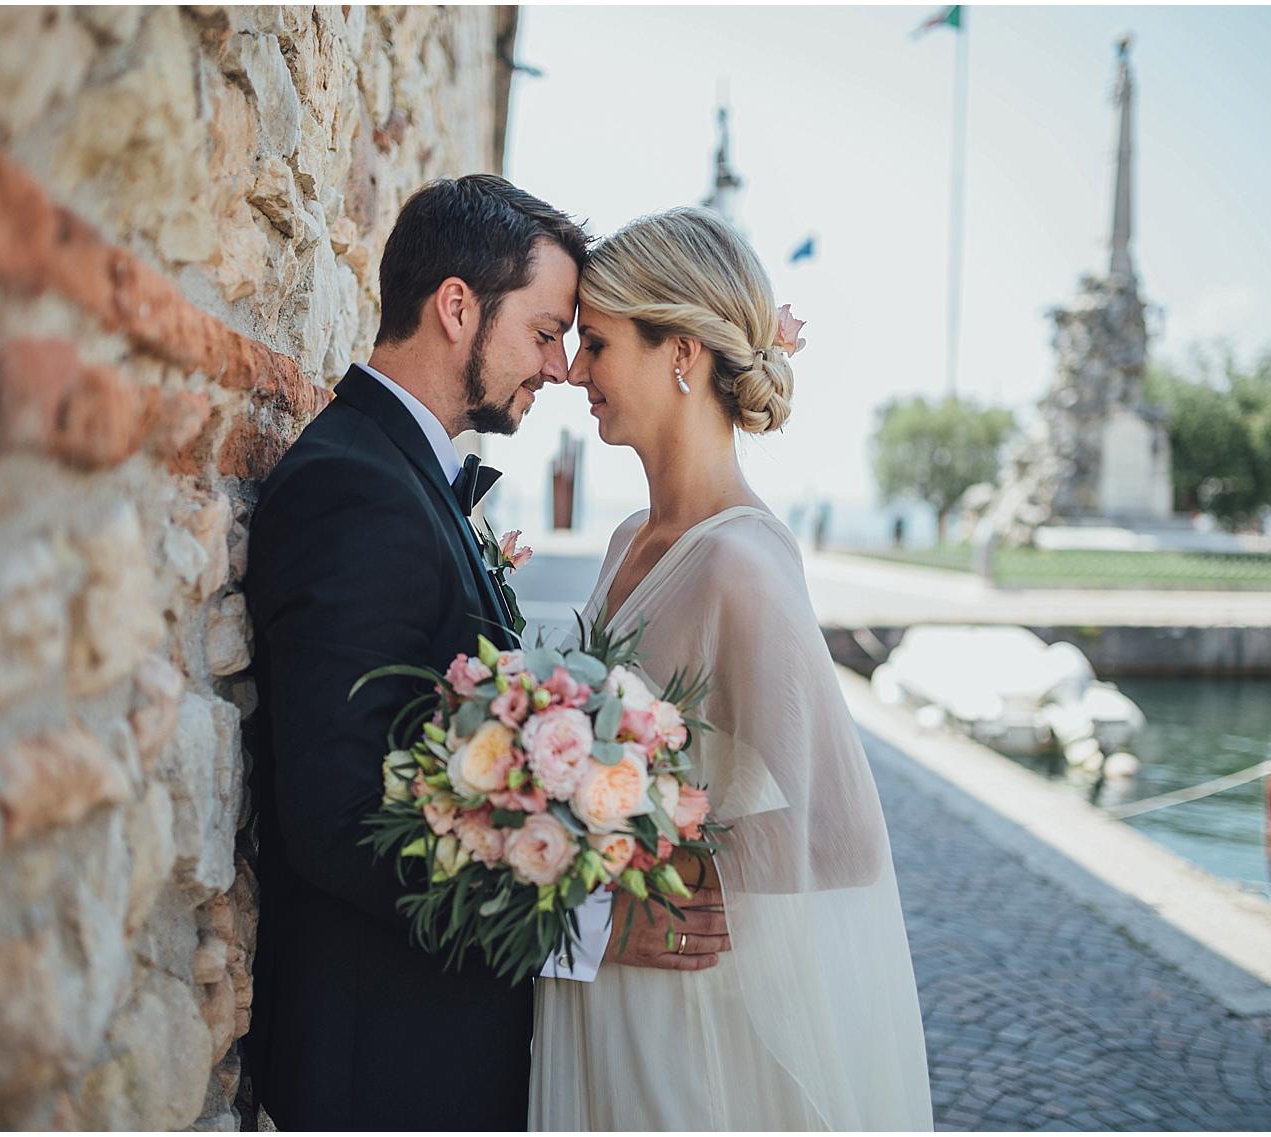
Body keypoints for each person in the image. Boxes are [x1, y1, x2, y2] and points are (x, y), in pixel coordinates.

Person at [240, 176, 728, 1130]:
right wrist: (593, 919)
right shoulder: (354, 488)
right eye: (546, 330)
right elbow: (335, 818)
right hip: (385, 1066)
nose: (559, 365)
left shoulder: (404, 477)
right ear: (457, 306)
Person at [532, 207, 933, 1130]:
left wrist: (653, 879)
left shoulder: (738, 567)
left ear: (681, 353)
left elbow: (839, 833)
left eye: (597, 344)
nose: (575, 371)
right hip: (600, 981)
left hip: (676, 1011)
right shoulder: (631, 537)